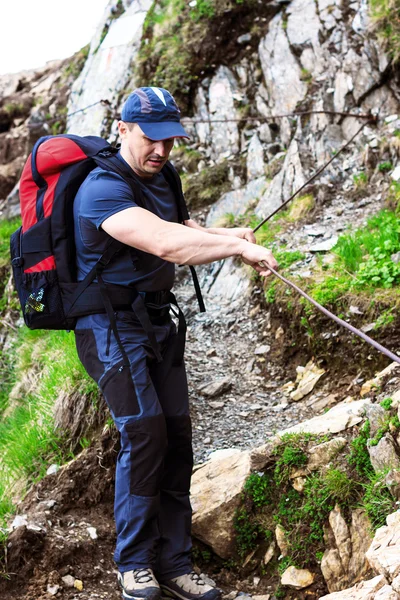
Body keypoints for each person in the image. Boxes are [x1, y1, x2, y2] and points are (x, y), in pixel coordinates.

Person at [73, 86, 277, 600]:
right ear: (122, 130)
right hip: (108, 326)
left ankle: (176, 561)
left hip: (158, 322)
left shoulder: (164, 176)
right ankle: (134, 562)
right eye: (151, 138)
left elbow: (182, 228)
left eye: (170, 139)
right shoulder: (100, 188)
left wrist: (232, 236)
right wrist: (230, 247)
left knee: (178, 433)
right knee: (145, 431)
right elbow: (164, 243)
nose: (161, 150)